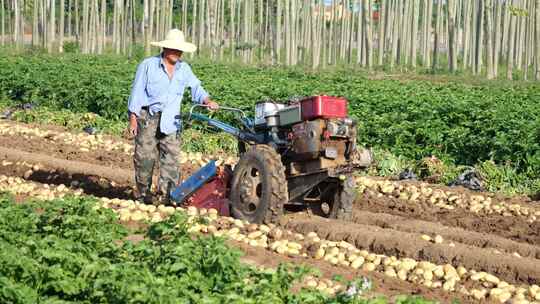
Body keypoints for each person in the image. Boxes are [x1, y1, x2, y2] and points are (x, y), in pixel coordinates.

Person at [127, 29, 219, 204]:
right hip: (148, 118)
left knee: (171, 159)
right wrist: (133, 118)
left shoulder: (184, 69)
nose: (178, 53)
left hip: (171, 120)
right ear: (165, 48)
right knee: (144, 159)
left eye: (180, 50)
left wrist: (207, 100)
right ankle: (143, 195)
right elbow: (137, 92)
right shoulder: (148, 65)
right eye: (174, 49)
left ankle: (167, 198)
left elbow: (196, 87)